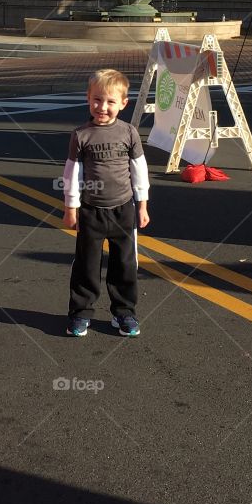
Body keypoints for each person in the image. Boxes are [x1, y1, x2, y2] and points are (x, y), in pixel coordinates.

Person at [62, 68, 150, 337]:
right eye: (97, 99)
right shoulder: (81, 135)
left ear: (124, 104)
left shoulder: (129, 133)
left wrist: (142, 205)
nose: (103, 107)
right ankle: (80, 314)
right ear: (88, 99)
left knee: (124, 265)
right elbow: (72, 173)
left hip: (123, 210)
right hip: (91, 211)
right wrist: (70, 208)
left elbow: (139, 170)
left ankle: (124, 314)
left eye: (111, 101)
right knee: (87, 266)